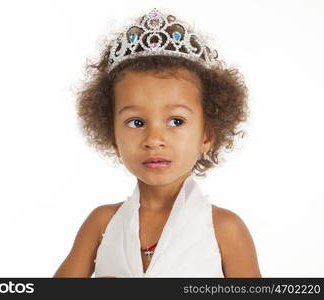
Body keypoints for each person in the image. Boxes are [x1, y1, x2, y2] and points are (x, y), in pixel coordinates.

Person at [54, 8, 261, 278]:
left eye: (176, 121)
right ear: (112, 136)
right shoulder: (101, 224)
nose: (154, 140)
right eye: (136, 122)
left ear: (207, 135)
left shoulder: (224, 230)